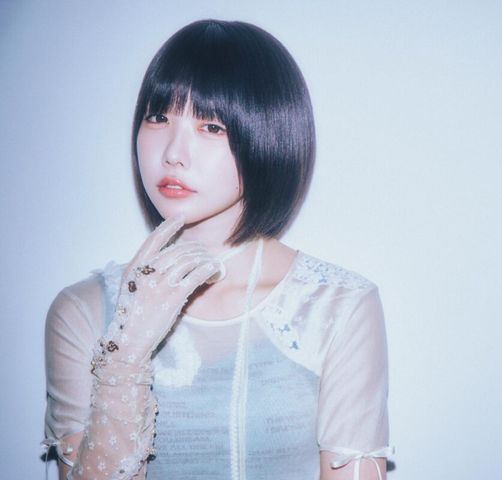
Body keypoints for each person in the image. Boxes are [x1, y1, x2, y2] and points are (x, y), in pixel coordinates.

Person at [43, 19, 392, 480]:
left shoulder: (337, 306)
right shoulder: (83, 311)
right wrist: (125, 353)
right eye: (158, 117)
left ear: (267, 135)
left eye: (210, 126)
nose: (173, 152)